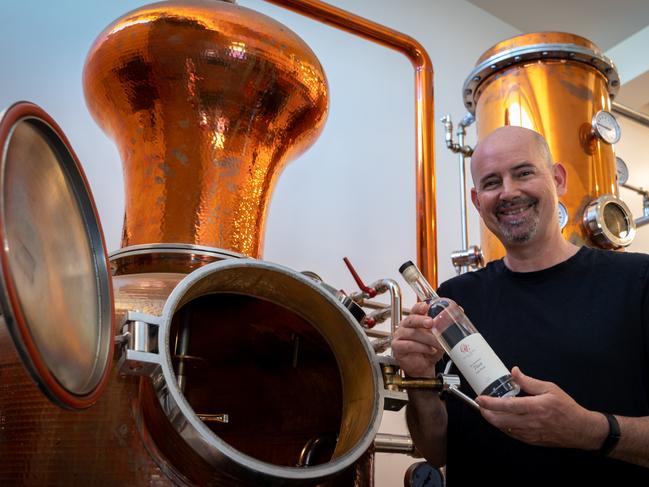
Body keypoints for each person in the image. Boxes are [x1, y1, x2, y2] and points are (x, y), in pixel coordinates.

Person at [391, 126, 649, 484]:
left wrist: (588, 430)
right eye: (492, 182)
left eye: (524, 173)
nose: (509, 192)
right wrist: (418, 379)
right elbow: (436, 451)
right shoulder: (453, 302)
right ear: (476, 200)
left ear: (557, 179)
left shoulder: (637, 281)